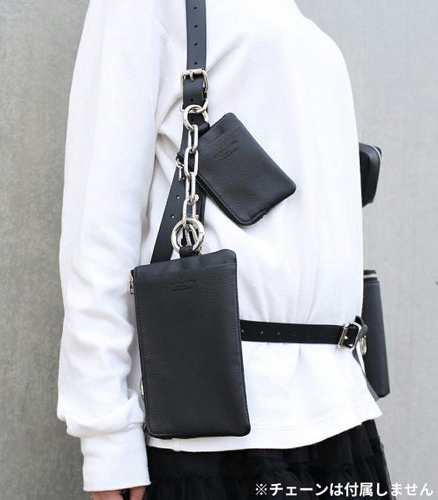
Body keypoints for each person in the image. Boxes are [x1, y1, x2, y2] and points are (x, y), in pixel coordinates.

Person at [57, 1, 395, 499]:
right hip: (218, 430)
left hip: (340, 415)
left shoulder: (293, 16)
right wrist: (106, 437)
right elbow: (100, 223)